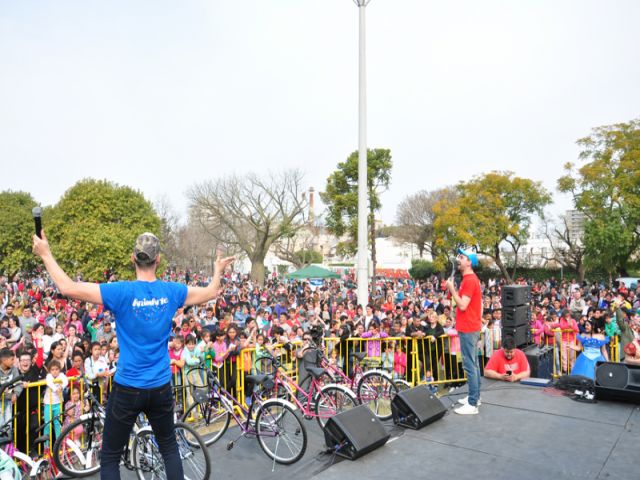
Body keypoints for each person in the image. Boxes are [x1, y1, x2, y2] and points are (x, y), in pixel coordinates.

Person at [33, 230, 234, 480]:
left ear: (132, 259)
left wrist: (45, 253)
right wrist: (217, 269)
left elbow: (67, 287)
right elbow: (212, 291)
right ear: (157, 260)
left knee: (109, 458)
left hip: (128, 386)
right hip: (160, 385)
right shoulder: (172, 291)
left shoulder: (121, 292)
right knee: (169, 449)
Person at [446, 248, 482, 415]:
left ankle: (472, 403)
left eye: (462, 257)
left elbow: (462, 305)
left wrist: (452, 289)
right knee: (473, 364)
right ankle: (474, 397)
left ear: (469, 262)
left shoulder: (469, 280)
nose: (458, 259)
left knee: (469, 365)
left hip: (468, 328)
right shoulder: (469, 279)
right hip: (469, 326)